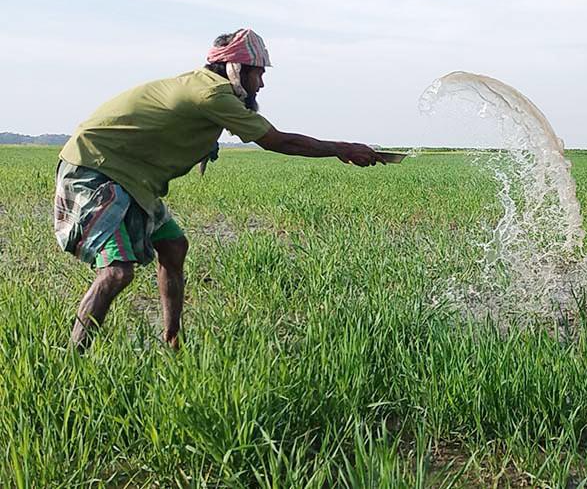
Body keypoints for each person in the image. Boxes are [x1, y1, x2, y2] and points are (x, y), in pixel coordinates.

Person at [55, 28, 384, 351]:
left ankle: (172, 341)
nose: (262, 83)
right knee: (116, 272)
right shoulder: (212, 94)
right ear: (236, 69)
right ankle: (74, 359)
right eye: (258, 74)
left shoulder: (206, 88)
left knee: (173, 245)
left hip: (130, 176)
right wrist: (344, 148)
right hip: (96, 168)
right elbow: (279, 141)